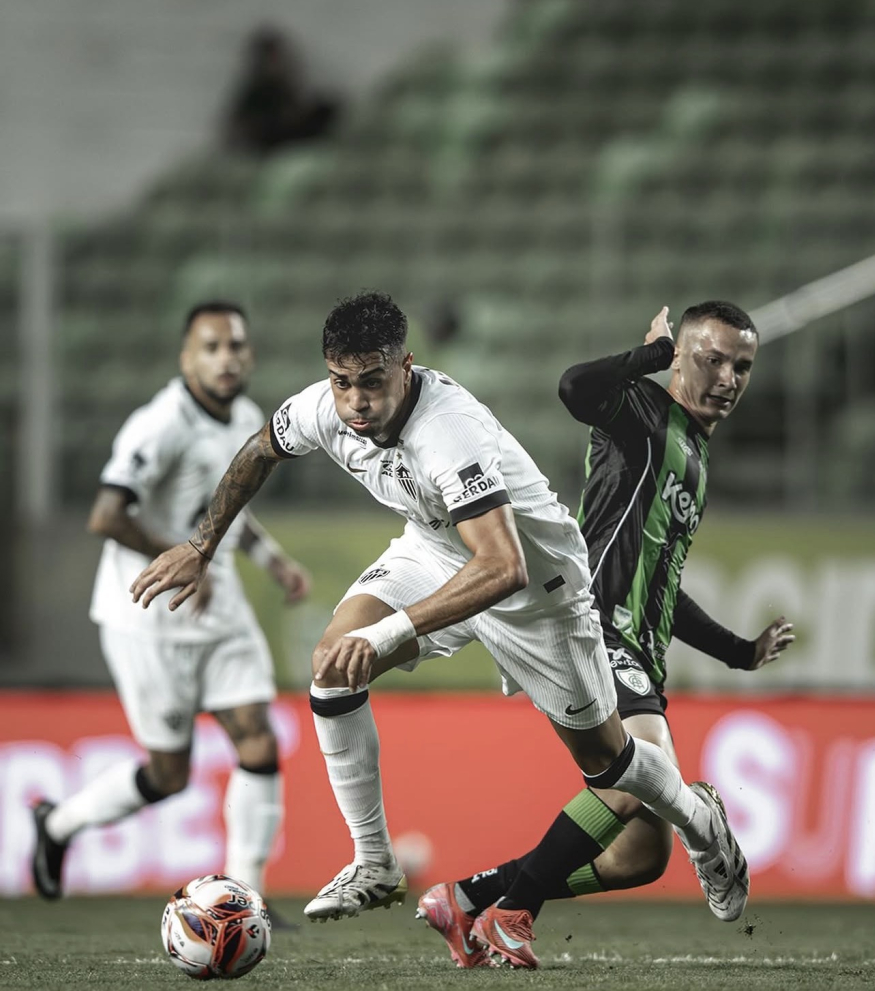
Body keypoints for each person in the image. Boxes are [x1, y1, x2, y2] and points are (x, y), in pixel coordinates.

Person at [130, 291, 750, 967]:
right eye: (342, 382)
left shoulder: (448, 430)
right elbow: (260, 449)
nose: (356, 402)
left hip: (538, 588)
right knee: (331, 665)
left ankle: (697, 818)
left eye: (372, 382)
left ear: (406, 368)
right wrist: (201, 544)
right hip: (434, 548)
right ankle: (375, 861)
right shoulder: (323, 407)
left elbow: (503, 565)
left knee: (612, 767)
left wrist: (390, 633)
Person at [417, 300, 795, 967]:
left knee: (640, 855)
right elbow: (575, 388)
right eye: (712, 359)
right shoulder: (644, 416)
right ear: (681, 357)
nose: (729, 377)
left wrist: (740, 650)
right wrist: (649, 355)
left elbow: (664, 583)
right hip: (599, 634)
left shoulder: (695, 455)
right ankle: (515, 913)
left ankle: (469, 897)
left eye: (742, 366)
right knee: (631, 777)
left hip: (638, 653)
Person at [31, 301, 310, 918]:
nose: (226, 358)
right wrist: (184, 555)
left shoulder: (246, 417)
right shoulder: (158, 425)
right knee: (169, 774)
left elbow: (227, 501)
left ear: (250, 355)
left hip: (220, 606)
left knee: (258, 741)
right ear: (186, 358)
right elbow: (106, 516)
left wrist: (272, 560)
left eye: (235, 346)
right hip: (149, 614)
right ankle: (58, 825)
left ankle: (245, 899)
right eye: (211, 347)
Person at [222, 25, 339, 155]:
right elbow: (240, 123)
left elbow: (297, 106)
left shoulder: (285, 81)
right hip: (268, 138)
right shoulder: (257, 89)